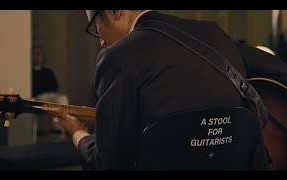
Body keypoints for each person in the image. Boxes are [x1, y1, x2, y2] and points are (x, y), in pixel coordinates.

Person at [53, 10, 287, 170]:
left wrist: (77, 133)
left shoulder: (118, 57)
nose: (100, 40)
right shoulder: (213, 33)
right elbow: (278, 68)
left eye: (95, 27)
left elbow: (107, 163)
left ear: (115, 11)